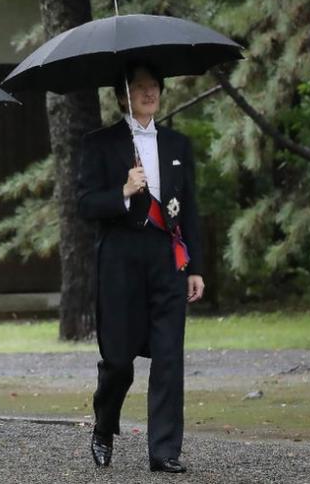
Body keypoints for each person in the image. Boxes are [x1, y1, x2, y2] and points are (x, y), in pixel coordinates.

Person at [78, 63, 204, 474]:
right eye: (139, 87)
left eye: (154, 87)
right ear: (122, 96)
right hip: (119, 258)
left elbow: (191, 211)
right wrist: (123, 192)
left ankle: (164, 450)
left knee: (169, 356)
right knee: (118, 359)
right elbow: (84, 205)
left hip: (167, 258)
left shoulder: (178, 144)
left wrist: (195, 267)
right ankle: (104, 424)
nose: (149, 93)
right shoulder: (98, 144)